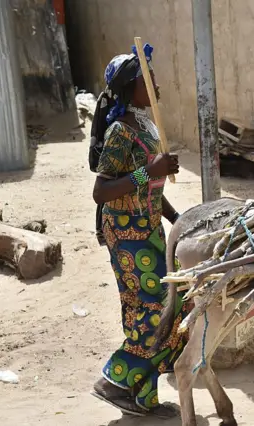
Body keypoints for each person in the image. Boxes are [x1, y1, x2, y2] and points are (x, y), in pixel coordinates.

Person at [88, 43, 191, 419]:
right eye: (149, 78)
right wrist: (153, 169)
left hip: (149, 231)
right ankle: (114, 381)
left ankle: (141, 397)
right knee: (154, 311)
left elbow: (152, 190)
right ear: (132, 86)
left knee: (169, 306)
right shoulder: (120, 131)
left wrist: (178, 219)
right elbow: (102, 191)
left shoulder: (145, 126)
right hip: (127, 234)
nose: (156, 84)